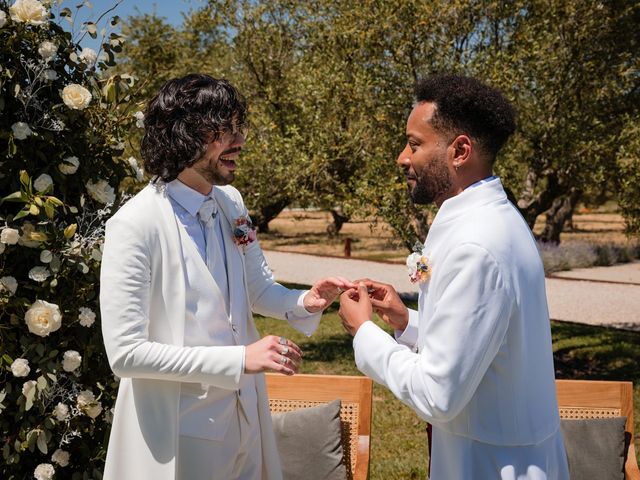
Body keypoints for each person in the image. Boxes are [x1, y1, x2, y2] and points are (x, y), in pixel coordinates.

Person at [100, 73, 352, 480]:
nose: (240, 141)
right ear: (184, 135)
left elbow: (257, 289)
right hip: (181, 436)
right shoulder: (134, 224)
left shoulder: (230, 202)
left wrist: (305, 301)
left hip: (247, 419)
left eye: (240, 128)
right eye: (225, 130)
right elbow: (126, 353)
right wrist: (239, 359)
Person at [338, 74, 569, 480]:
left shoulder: (475, 246)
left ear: (460, 150)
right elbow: (481, 343)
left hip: (493, 466)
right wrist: (406, 321)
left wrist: (363, 333)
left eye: (414, 144)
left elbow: (437, 394)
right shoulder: (493, 220)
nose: (402, 158)